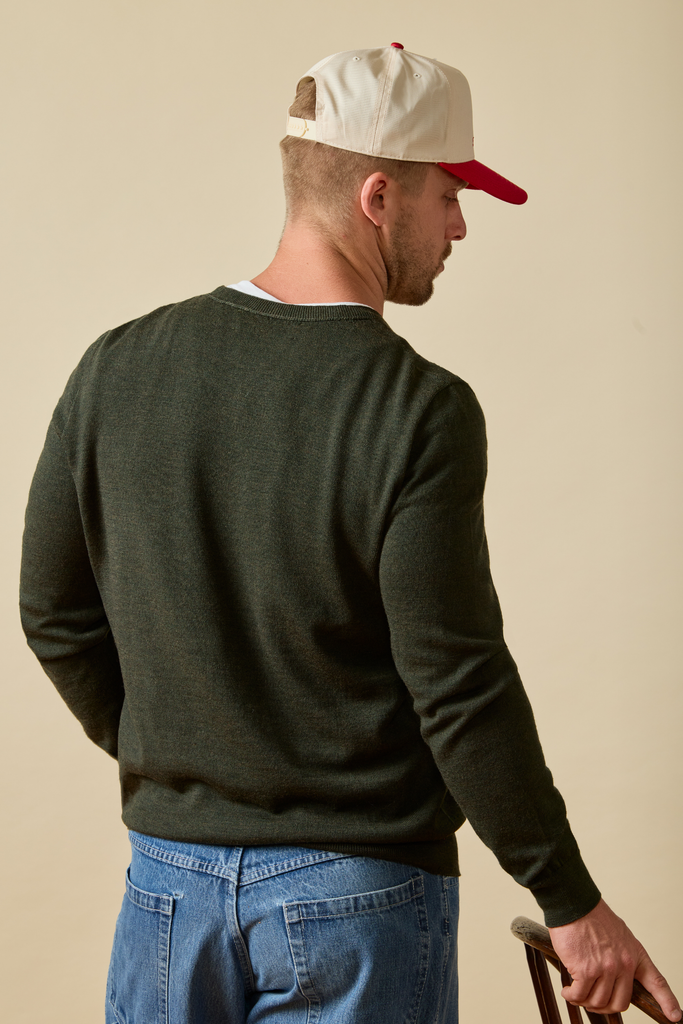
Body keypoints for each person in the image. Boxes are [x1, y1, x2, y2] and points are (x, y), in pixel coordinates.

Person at [20, 43, 680, 1024]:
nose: (459, 224)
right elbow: (456, 683)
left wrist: (187, 760)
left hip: (167, 893)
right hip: (355, 899)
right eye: (447, 194)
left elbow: (53, 612)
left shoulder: (114, 367)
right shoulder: (415, 409)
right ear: (378, 196)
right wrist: (569, 901)